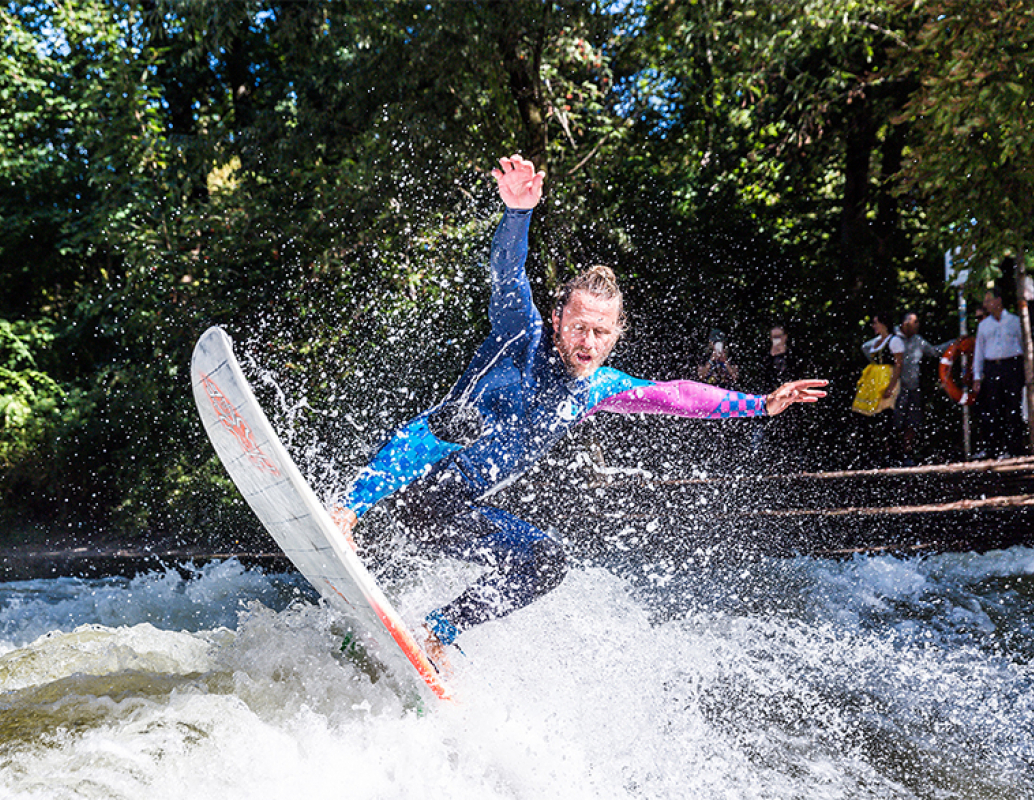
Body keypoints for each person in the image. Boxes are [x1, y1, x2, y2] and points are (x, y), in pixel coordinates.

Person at [330, 155, 827, 659]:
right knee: (459, 419)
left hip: (444, 512)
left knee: (546, 561)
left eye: (601, 332)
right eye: (578, 327)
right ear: (556, 317)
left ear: (616, 334)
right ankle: (346, 511)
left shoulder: (598, 389)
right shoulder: (519, 329)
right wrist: (517, 213)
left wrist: (760, 404)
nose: (588, 341)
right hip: (403, 479)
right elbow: (507, 269)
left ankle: (437, 630)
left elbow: (678, 394)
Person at [972, 287, 1025, 458]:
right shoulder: (984, 325)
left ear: (998, 300)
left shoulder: (1015, 321)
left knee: (1013, 407)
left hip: (1012, 365)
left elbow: (1024, 345)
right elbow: (979, 351)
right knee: (994, 408)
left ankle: (1015, 448)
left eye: (989, 300)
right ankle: (996, 448)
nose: (986, 304)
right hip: (992, 366)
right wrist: (977, 376)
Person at [890, 312, 948, 467]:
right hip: (896, 389)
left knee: (912, 422)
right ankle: (892, 454)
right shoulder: (893, 339)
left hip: (913, 387)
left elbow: (934, 352)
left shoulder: (918, 341)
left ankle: (907, 454)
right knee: (895, 422)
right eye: (914, 322)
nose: (917, 325)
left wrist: (954, 343)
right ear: (905, 323)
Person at [858, 312, 903, 466]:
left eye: (876, 323)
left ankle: (893, 454)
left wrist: (891, 386)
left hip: (887, 379)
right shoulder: (876, 341)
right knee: (869, 418)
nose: (874, 326)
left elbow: (898, 365)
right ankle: (873, 455)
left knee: (886, 417)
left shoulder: (895, 341)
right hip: (874, 380)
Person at [752, 324, 797, 453]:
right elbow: (761, 377)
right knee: (767, 435)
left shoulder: (793, 355)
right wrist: (771, 357)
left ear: (785, 337)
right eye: (773, 337)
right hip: (771, 398)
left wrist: (784, 355)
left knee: (791, 435)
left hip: (791, 402)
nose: (776, 339)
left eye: (778, 336)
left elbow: (796, 374)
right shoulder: (765, 355)